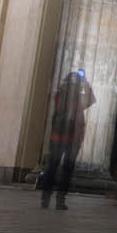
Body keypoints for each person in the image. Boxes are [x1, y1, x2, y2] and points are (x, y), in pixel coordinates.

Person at [40, 67, 94, 209]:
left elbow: (91, 99)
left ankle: (54, 199)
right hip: (62, 138)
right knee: (59, 168)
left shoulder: (71, 97)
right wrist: (83, 83)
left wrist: (85, 82)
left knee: (58, 168)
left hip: (67, 138)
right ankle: (53, 198)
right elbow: (89, 99)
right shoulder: (62, 95)